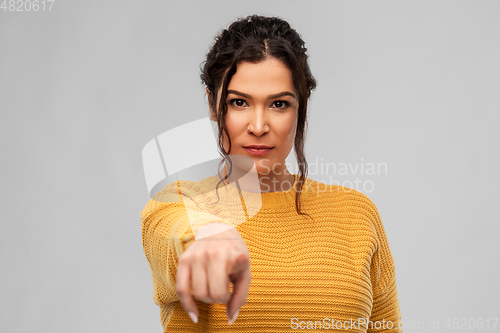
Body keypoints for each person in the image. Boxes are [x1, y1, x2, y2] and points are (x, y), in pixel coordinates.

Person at [140, 14, 403, 332]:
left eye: (278, 104)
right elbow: (173, 234)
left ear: (301, 106)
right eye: (239, 102)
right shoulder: (180, 205)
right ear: (212, 104)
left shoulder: (358, 215)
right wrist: (204, 236)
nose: (259, 126)